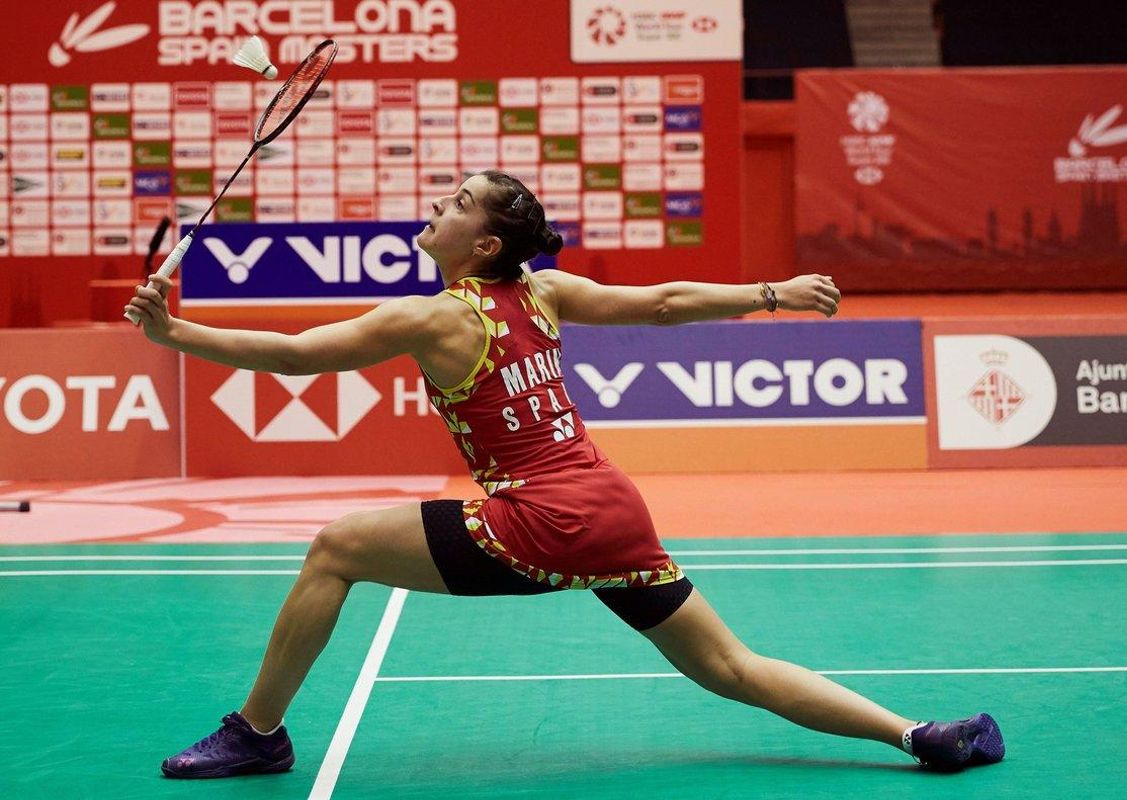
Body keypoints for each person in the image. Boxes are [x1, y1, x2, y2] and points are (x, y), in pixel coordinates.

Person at [129, 170, 1004, 779]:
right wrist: (770, 291)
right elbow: (661, 304)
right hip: (613, 510)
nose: (442, 201)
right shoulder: (542, 293)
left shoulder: (432, 319)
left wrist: (176, 335)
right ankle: (920, 733)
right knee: (731, 667)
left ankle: (257, 735)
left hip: (540, 518)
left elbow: (293, 356)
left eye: (462, 201)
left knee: (334, 550)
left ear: (485, 242)